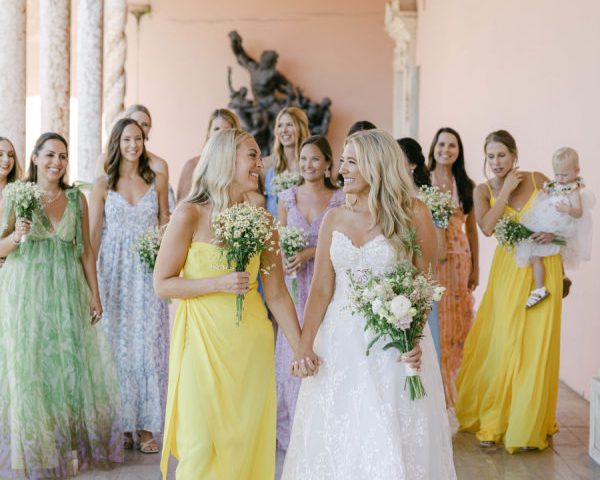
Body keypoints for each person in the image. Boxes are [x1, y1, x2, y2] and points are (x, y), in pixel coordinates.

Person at [282, 129, 456, 479]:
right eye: (342, 161)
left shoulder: (414, 213)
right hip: (338, 345)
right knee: (341, 437)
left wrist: (414, 339)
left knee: (391, 435)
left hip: (394, 345)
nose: (341, 170)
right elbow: (321, 289)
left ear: (376, 166)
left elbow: (422, 281)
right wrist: (303, 346)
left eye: (350, 162)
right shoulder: (334, 218)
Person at [154, 129, 313, 479]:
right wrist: (217, 283)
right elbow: (162, 283)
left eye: (258, 156)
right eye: (252, 156)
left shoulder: (262, 220)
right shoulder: (189, 214)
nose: (260, 164)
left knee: (243, 442)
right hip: (202, 344)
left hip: (250, 345)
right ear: (226, 159)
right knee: (199, 444)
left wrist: (302, 346)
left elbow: (276, 294)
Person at [0, 133, 122, 478]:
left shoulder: (75, 198)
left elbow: (84, 251)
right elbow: (0, 248)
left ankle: (60, 445)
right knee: (31, 371)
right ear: (36, 158)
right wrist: (17, 234)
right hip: (25, 292)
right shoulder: (15, 195)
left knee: (64, 369)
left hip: (66, 291)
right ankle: (33, 450)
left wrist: (94, 294)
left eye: (63, 156)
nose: (57, 162)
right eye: (50, 155)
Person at [455, 130, 563, 453]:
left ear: (514, 154)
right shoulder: (482, 190)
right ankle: (496, 417)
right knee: (503, 340)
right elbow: (487, 228)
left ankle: (526, 422)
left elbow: (568, 218)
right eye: (491, 156)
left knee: (535, 345)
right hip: (508, 271)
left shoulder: (538, 178)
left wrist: (553, 233)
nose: (496, 161)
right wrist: (505, 192)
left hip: (545, 269)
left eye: (502, 154)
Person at [90, 118, 170, 454]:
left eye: (138, 139)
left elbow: (166, 220)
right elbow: (94, 233)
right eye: (126, 139)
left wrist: (163, 247)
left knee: (148, 346)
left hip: (148, 271)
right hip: (113, 272)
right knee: (117, 346)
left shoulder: (157, 179)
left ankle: (146, 425)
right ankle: (122, 425)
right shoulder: (103, 183)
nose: (133, 145)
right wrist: (89, 283)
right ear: (117, 143)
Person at [275, 135, 345, 454]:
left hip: (325, 289)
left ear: (329, 164)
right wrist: (287, 258)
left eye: (315, 159)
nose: (308, 165)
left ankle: (324, 434)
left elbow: (344, 245)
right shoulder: (287, 198)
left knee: (325, 357)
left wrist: (309, 254)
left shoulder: (340, 199)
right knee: (292, 357)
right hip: (293, 288)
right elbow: (276, 242)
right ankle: (294, 440)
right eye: (303, 159)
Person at [427, 127, 478, 406]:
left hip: (461, 260)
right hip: (436, 261)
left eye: (452, 146)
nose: (446, 150)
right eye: (442, 144)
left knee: (460, 326)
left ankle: (459, 392)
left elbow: (472, 230)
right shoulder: (424, 179)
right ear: (434, 147)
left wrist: (476, 267)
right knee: (440, 324)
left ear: (458, 152)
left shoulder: (465, 183)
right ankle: (440, 394)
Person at [516, 147, 590, 308]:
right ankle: (542, 287)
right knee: (533, 252)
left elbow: (578, 213)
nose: (560, 179)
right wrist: (546, 191)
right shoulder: (557, 184)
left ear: (576, 171)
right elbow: (551, 191)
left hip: (559, 224)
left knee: (537, 253)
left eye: (565, 175)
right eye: (557, 174)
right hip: (547, 219)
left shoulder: (573, 191)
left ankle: (539, 289)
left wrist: (568, 209)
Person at [397, 137, 441, 362]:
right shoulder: (392, 198)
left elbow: (432, 250)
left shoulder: (425, 200)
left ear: (412, 164)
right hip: (398, 281)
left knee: (424, 334)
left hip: (422, 273)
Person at [176, 108, 241, 202]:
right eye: (216, 129)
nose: (220, 133)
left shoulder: (241, 166)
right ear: (208, 133)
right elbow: (181, 205)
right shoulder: (193, 165)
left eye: (226, 130)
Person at [262, 107, 310, 217]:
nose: (284, 130)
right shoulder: (266, 164)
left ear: (301, 127)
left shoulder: (309, 165)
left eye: (289, 125)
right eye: (280, 125)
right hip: (273, 229)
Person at [0, 136, 21, 267]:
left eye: (11, 155)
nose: (7, 159)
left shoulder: (20, 193)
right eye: (0, 154)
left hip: (11, 267)